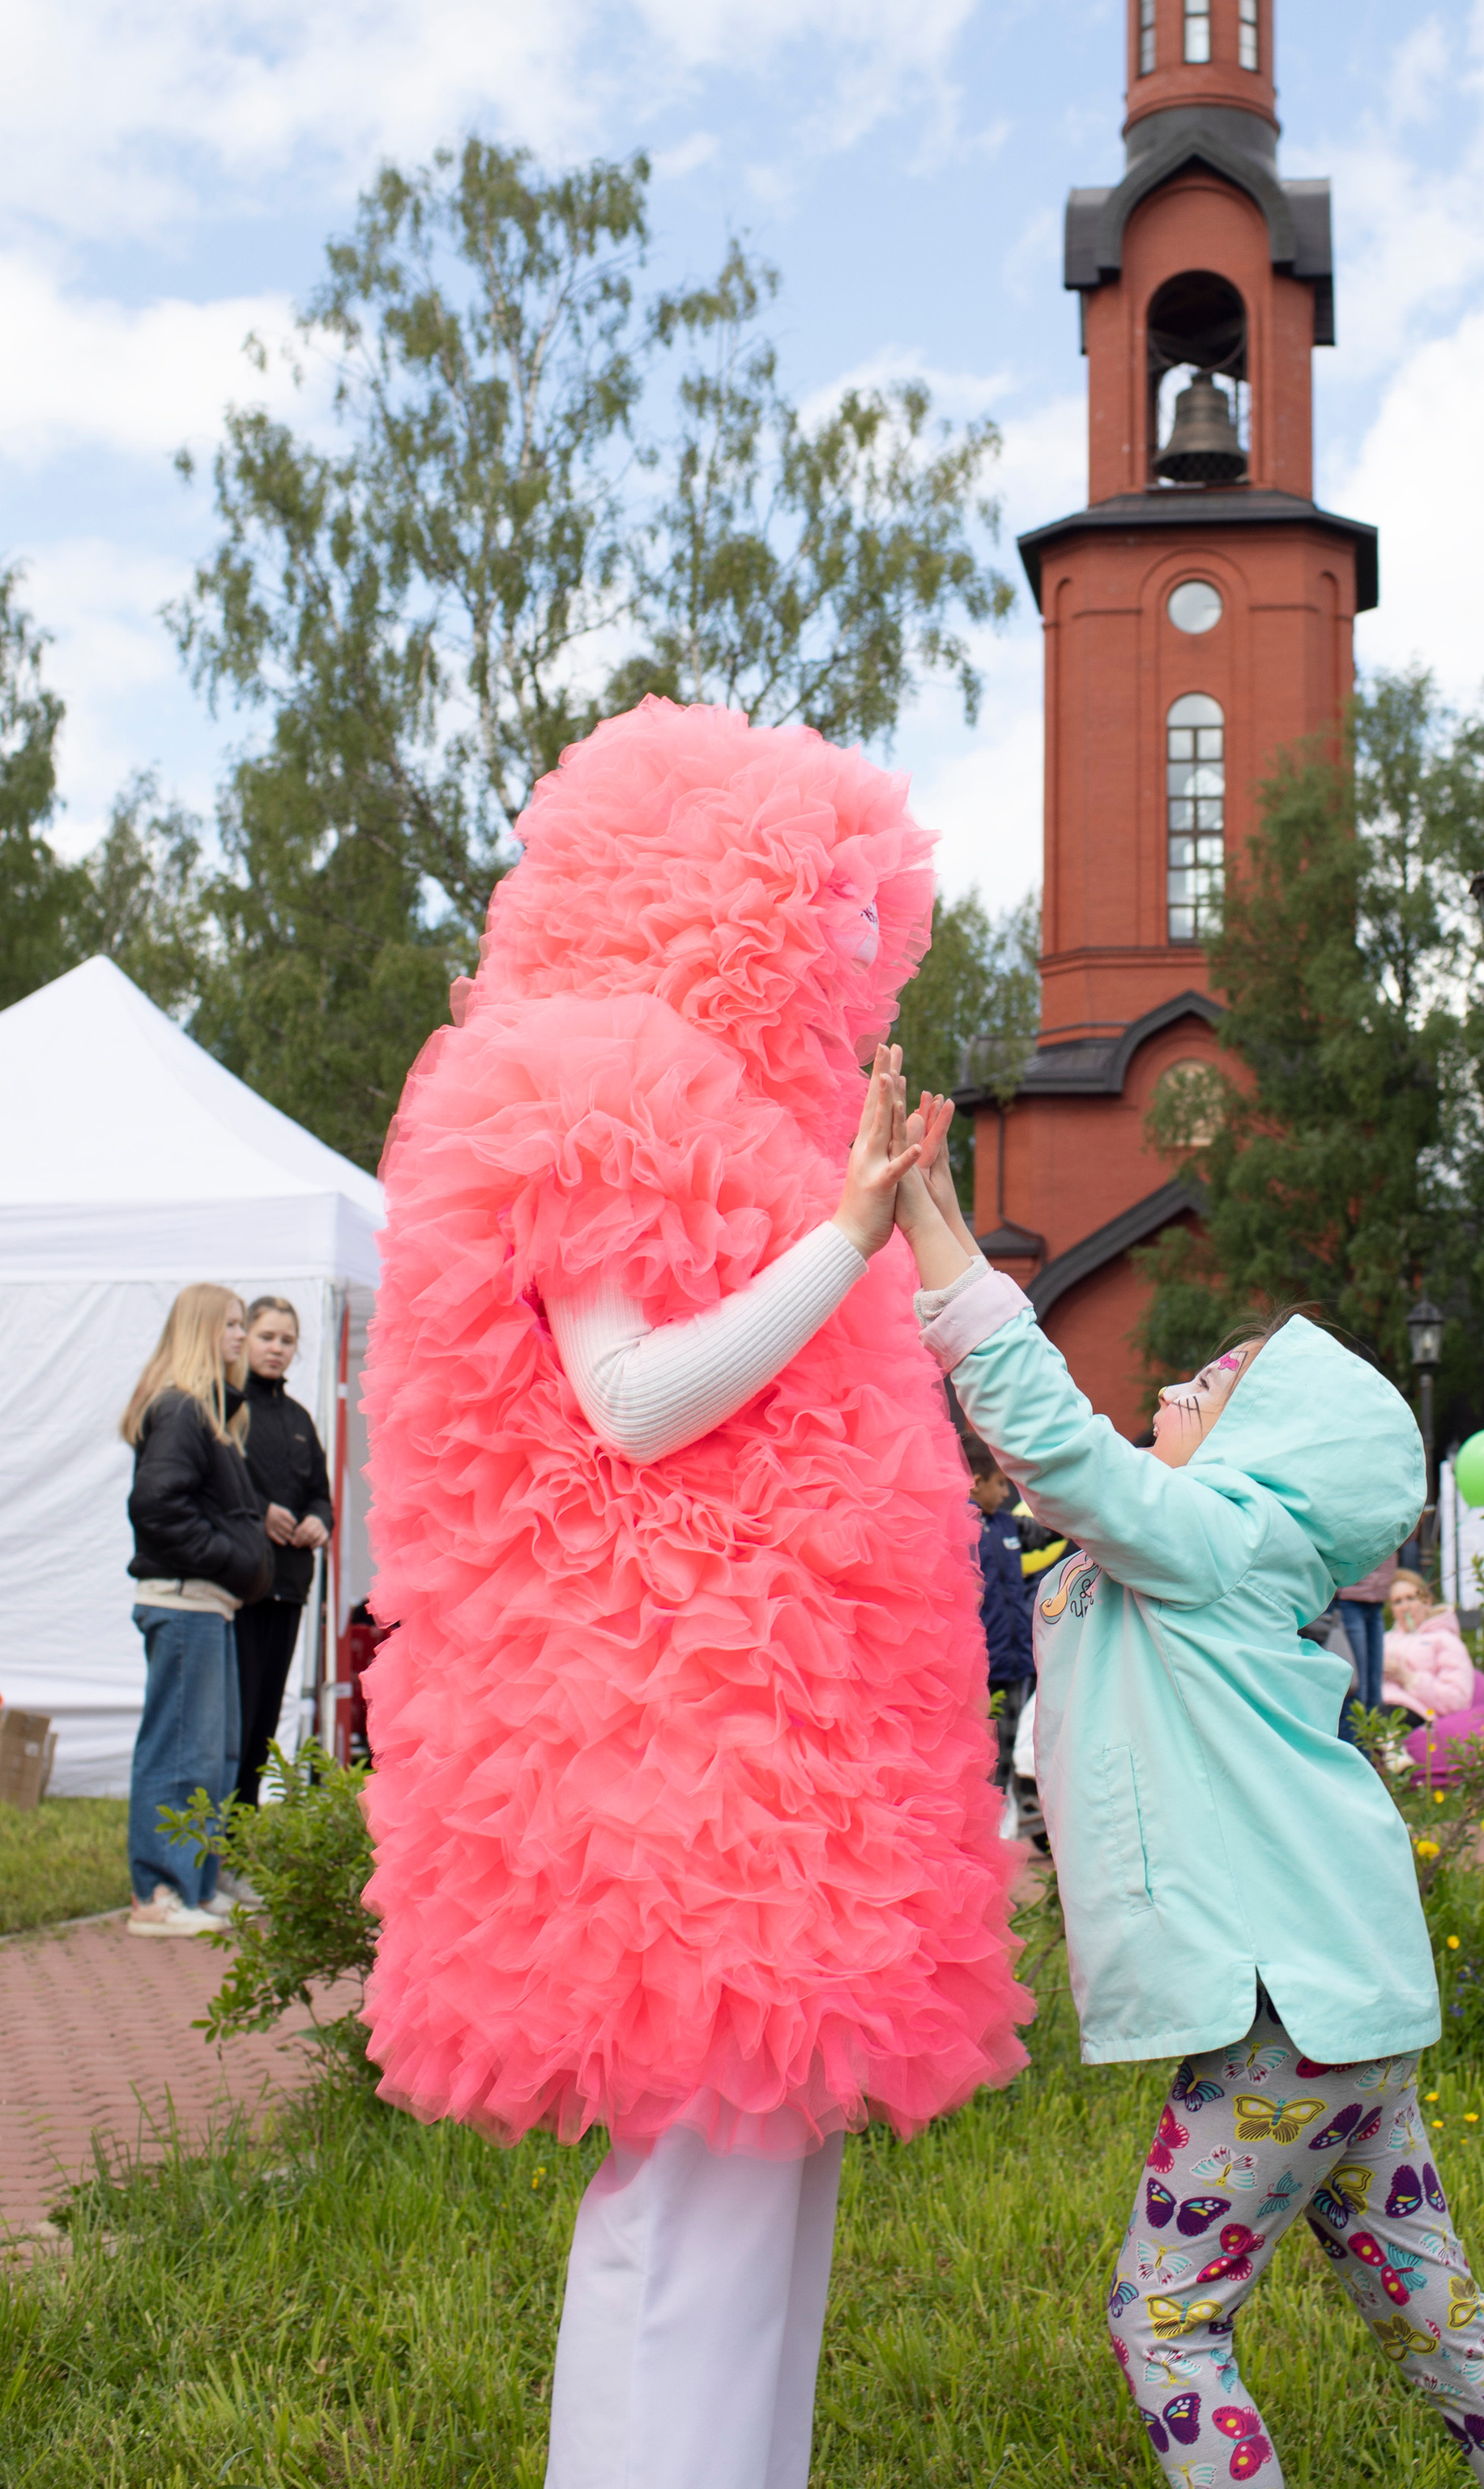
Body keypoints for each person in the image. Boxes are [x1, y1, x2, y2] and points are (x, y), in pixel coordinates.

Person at [356, 700, 1028, 2489]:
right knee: (697, 2196)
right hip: (664, 1739)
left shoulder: (736, 1124)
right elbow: (633, 1400)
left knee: (769, 2176)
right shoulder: (576, 1086)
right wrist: (844, 1241)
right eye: (814, 915)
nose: (840, 964)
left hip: (758, 1730)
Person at [895, 1094, 1484, 2489]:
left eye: (1216, 1382)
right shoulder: (1227, 1549)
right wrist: (940, 1211)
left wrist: (919, 1228)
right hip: (1346, 2003)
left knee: (1165, 2317)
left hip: (1290, 2020)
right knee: (1433, 2312)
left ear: (1278, 1453)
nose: (1180, 1382)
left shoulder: (1216, 1536)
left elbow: (1056, 1443)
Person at [122, 1283, 271, 1936]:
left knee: (212, 1756)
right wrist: (230, 1557)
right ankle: (160, 1892)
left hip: (208, 1606)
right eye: (231, 1325)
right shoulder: (182, 1409)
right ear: (201, 1330)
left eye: (243, 1324)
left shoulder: (210, 1413)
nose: (240, 1335)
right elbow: (157, 1505)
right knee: (180, 1749)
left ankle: (197, 1883)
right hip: (183, 1602)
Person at [232, 1296, 334, 1811]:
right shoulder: (228, 1406)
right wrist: (260, 1511)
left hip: (290, 1586)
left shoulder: (298, 1417)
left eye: (287, 1340)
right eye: (267, 1337)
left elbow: (321, 1491)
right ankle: (217, 1836)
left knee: (267, 1713)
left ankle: (243, 1832)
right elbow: (215, 1490)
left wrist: (319, 1518)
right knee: (237, 1713)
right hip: (240, 1587)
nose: (276, 1349)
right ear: (245, 1338)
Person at [971, 1454, 1034, 1802]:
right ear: (976, 1482)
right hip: (985, 1665)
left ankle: (1005, 1817)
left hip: (1017, 1661)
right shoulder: (960, 1524)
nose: (1005, 1491)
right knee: (985, 1746)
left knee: (1011, 1743)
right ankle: (985, 1816)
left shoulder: (1010, 1526)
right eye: (1000, 1483)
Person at [1380, 1567, 1475, 1724]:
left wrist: (1408, 1678)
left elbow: (1457, 1699)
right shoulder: (1385, 1640)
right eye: (1398, 1602)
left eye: (1411, 1598)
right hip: (1379, 1704)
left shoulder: (1445, 1641)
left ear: (1427, 1602)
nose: (1405, 1607)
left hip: (1417, 1712)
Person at [1334, 1547, 1394, 1711]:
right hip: (1348, 1594)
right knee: (1355, 1688)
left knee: (1374, 1692)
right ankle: (1350, 1737)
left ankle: (1370, 1736)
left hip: (1377, 1595)